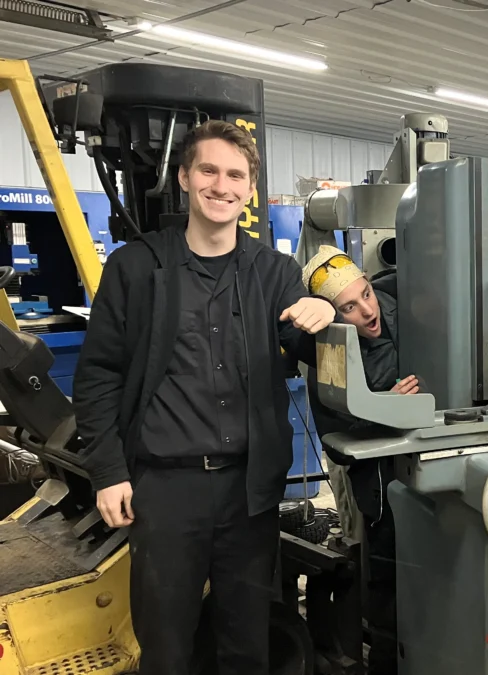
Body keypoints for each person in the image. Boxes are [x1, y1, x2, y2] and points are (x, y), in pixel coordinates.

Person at [72, 120, 337, 675]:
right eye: (210, 171)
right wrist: (107, 471)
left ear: (249, 189)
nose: (223, 185)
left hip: (250, 492)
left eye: (236, 175)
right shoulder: (136, 267)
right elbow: (98, 375)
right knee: (166, 645)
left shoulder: (275, 272)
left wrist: (326, 315)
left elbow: (306, 349)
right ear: (185, 178)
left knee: (246, 642)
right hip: (166, 490)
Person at [300, 245, 417, 675]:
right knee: (389, 583)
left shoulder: (403, 298)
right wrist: (381, 408)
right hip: (383, 484)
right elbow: (334, 436)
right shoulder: (329, 351)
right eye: (348, 307)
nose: (367, 311)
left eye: (365, 294)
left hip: (441, 458)